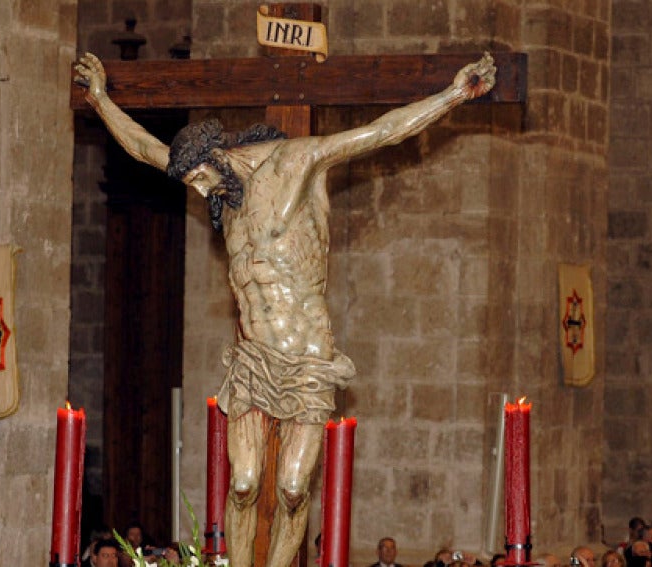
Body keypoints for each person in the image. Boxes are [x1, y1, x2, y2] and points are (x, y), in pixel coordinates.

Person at [74, 51, 497, 567]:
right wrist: (99, 99)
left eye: (202, 179)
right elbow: (144, 148)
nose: (200, 192)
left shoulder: (296, 164)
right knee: (245, 481)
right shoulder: (219, 194)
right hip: (254, 359)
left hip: (306, 360)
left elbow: (381, 132)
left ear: (220, 155)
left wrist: (453, 95)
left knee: (295, 488)